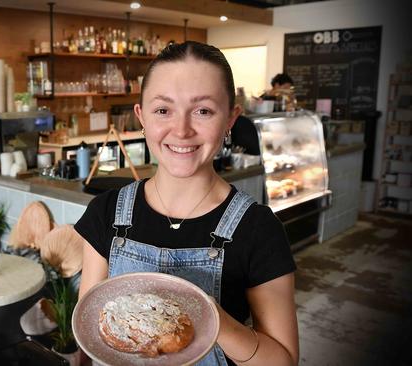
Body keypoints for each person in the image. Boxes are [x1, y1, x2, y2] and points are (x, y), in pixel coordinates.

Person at [74, 41, 299, 366]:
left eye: (203, 111)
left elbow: (283, 362)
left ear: (230, 120)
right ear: (142, 117)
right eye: (163, 110)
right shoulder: (106, 213)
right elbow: (91, 331)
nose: (181, 130)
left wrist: (211, 318)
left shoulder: (259, 229)